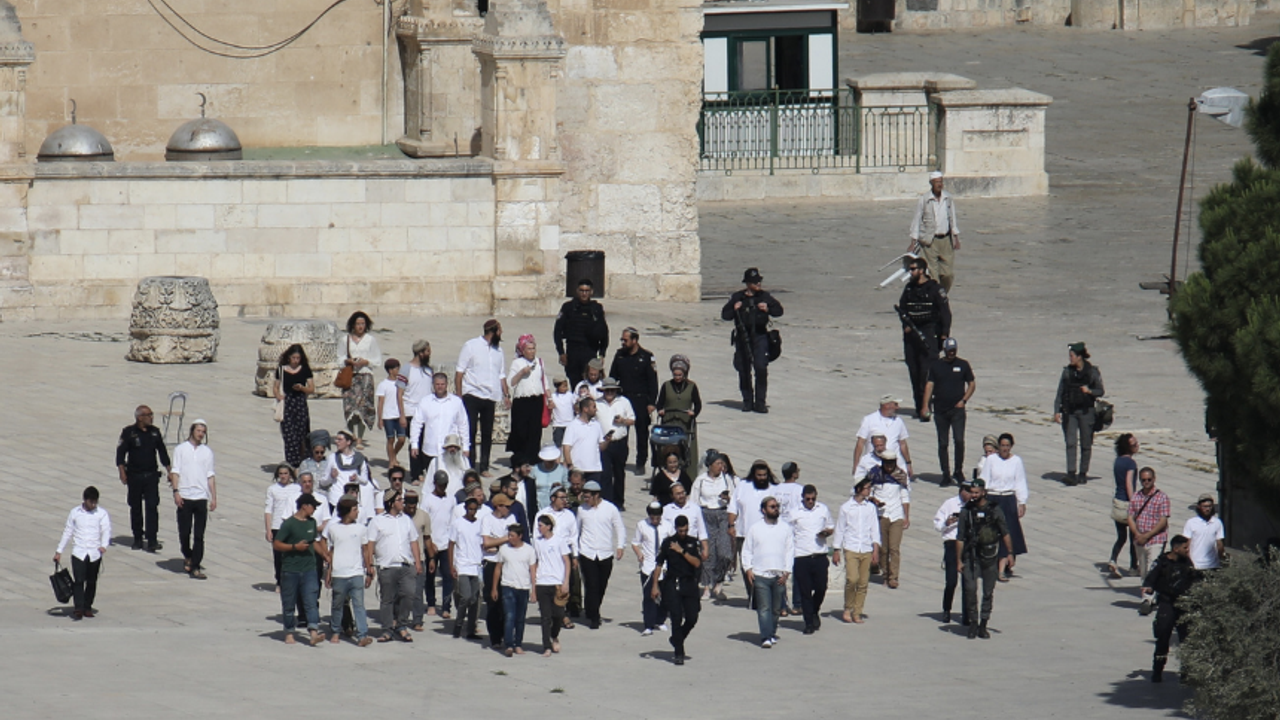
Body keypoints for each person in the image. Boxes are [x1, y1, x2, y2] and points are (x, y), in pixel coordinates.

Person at [720, 267, 785, 413]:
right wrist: (734, 308)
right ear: (748, 284)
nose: (758, 284)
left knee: (761, 367)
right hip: (743, 337)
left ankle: (760, 402)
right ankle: (747, 401)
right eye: (755, 282)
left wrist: (767, 309)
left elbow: (779, 311)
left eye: (759, 281)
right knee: (743, 370)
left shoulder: (764, 296)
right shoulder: (738, 297)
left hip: (760, 336)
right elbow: (725, 315)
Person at [956, 479, 1013, 639]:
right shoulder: (966, 511)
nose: (973, 495)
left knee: (988, 591)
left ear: (983, 492)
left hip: (989, 555)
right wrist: (959, 560)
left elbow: (1005, 531)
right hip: (971, 555)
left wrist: (1010, 553)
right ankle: (973, 623)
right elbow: (960, 537)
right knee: (970, 589)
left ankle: (983, 624)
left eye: (976, 492)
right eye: (971, 492)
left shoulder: (994, 509)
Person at [898, 257, 951, 420]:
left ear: (922, 270)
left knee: (926, 373)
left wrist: (944, 334)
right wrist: (906, 325)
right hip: (911, 336)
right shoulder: (909, 289)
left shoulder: (935, 289)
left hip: (929, 333)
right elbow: (903, 309)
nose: (911, 272)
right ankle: (918, 407)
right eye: (910, 269)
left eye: (913, 269)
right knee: (914, 371)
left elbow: (945, 313)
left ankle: (926, 407)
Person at [368, 489, 423, 642]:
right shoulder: (377, 521)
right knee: (387, 599)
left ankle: (401, 624)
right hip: (387, 566)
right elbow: (370, 544)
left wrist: (418, 562)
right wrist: (369, 564)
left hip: (406, 565)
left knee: (408, 594)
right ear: (391, 503)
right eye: (399, 500)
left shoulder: (406, 520)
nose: (402, 502)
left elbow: (413, 541)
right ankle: (387, 629)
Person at [1141, 535, 1199, 683]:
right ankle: (1157, 671)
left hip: (1183, 605)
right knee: (1163, 638)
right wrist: (1149, 587)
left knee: (1186, 640)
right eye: (1185, 548)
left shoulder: (1186, 562)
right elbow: (1151, 578)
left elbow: (1194, 578)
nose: (1188, 550)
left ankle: (1186, 672)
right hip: (1167, 604)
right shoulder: (1162, 563)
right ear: (1176, 549)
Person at [273, 493, 328, 645]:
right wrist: (294, 547)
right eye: (313, 506)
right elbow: (277, 544)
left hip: (309, 568)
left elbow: (313, 542)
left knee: (311, 601)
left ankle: (313, 632)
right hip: (291, 569)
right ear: (304, 506)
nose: (315, 509)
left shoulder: (312, 523)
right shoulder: (289, 524)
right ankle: (289, 632)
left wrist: (325, 555)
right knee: (289, 603)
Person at [456, 319, 510, 474]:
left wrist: (506, 395)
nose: (501, 333)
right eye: (500, 330)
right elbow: (460, 372)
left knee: (487, 433)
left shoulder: (499, 351)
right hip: (472, 394)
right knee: (471, 431)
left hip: (490, 396)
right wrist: (459, 397)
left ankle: (484, 466)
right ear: (493, 331)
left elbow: (501, 375)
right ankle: (470, 465)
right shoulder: (471, 346)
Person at [116, 405, 170, 552]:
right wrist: (122, 471)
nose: (151, 417)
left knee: (152, 506)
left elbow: (162, 452)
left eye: (151, 414)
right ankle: (138, 538)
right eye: (148, 415)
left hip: (151, 476)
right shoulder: (129, 432)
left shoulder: (155, 432)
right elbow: (120, 453)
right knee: (136, 507)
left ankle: (152, 539)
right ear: (139, 417)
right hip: (134, 476)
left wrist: (169, 470)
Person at [741, 496, 794, 647]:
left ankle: (771, 633)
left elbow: (790, 550)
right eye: (772, 507)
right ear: (764, 510)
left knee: (776, 609)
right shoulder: (755, 528)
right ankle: (765, 637)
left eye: (777, 506)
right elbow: (747, 550)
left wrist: (786, 572)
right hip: (760, 574)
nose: (776, 509)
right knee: (764, 608)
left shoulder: (785, 528)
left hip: (779, 575)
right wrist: (748, 569)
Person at [922, 337, 975, 486]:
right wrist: (925, 405)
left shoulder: (963, 365)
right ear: (944, 350)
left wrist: (964, 400)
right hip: (940, 410)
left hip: (957, 410)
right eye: (949, 350)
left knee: (959, 440)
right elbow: (929, 385)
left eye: (954, 350)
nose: (952, 353)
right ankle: (946, 473)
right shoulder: (936, 366)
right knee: (943, 443)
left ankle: (958, 470)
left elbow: (971, 384)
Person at [324, 497, 375, 646]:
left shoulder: (361, 529)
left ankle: (362, 635)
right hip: (339, 573)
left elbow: (366, 550)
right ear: (347, 512)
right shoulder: (334, 528)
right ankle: (335, 631)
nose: (357, 512)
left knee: (359, 605)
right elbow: (332, 551)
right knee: (338, 604)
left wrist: (369, 569)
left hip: (356, 572)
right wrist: (329, 572)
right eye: (354, 510)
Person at [55, 486, 111, 620]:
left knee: (91, 581)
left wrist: (104, 545)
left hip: (94, 553)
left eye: (95, 502)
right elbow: (68, 531)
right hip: (78, 552)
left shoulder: (101, 513)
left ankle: (87, 607)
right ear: (85, 500)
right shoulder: (75, 512)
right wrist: (59, 551)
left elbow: (106, 529)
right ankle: (78, 608)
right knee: (79, 580)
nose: (93, 505)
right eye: (91, 502)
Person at [576, 480, 627, 629]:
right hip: (587, 552)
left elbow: (619, 528)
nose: (586, 500)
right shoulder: (581, 510)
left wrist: (620, 546)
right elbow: (576, 531)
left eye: (588, 497)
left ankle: (591, 609)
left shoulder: (610, 509)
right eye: (584, 497)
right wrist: (575, 552)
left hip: (605, 553)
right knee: (591, 585)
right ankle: (594, 616)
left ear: (596, 495)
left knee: (601, 586)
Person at [1053, 342, 1105, 486]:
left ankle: (1083, 473)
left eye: (1072, 356)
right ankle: (1071, 473)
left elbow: (1100, 391)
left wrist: (1089, 391)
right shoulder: (1067, 372)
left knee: (1086, 443)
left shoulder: (1092, 372)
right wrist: (1056, 411)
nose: (1070, 359)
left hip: (1086, 412)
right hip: (1070, 412)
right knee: (1070, 442)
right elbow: (1060, 392)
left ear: (1079, 356)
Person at [170, 419, 216, 580]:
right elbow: (175, 472)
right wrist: (176, 492)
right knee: (184, 532)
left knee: (199, 534)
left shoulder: (207, 452)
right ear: (192, 431)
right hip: (185, 495)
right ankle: (188, 555)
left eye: (203, 432)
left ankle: (195, 565)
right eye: (198, 431)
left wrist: (213, 497)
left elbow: (210, 475)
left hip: (201, 496)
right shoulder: (181, 449)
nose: (201, 434)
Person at [978, 433, 1028, 580]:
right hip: (993, 498)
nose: (1004, 449)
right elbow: (985, 479)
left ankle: (1002, 569)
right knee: (992, 532)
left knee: (1008, 532)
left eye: (1007, 446)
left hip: (1008, 498)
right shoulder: (991, 460)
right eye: (1002, 446)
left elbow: (1020, 482)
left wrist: (1022, 502)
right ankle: (991, 565)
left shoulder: (1016, 461)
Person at [653, 514, 702, 664]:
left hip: (689, 583)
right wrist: (655, 585)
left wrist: (682, 551)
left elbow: (697, 563)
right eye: (680, 531)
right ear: (676, 528)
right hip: (672, 583)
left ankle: (676, 638)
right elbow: (659, 564)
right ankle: (679, 653)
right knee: (676, 617)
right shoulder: (668, 543)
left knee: (692, 617)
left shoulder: (692, 543)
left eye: (685, 530)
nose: (683, 533)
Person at [610, 327, 659, 475]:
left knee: (642, 433)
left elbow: (653, 382)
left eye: (625, 340)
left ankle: (640, 463)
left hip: (640, 400)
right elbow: (613, 377)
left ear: (635, 340)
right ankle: (620, 460)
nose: (623, 342)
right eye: (622, 340)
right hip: (624, 398)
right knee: (621, 431)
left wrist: (651, 402)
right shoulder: (620, 355)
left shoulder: (647, 357)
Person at [728, 460, 777, 604]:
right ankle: (754, 597)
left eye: (764, 475)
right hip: (744, 534)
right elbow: (733, 508)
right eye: (759, 475)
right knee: (747, 566)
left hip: (767, 535)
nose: (762, 478)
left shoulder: (774, 488)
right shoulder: (743, 486)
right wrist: (731, 525)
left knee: (764, 565)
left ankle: (766, 595)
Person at [832, 479, 880, 624]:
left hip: (866, 548)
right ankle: (848, 607)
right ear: (859, 489)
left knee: (863, 582)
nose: (869, 490)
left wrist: (875, 550)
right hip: (851, 547)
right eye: (867, 488)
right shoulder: (846, 508)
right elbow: (840, 529)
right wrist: (836, 549)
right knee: (852, 579)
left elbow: (874, 529)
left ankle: (857, 611)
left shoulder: (870, 507)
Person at [691, 452, 737, 600]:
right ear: (710, 465)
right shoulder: (701, 480)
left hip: (722, 514)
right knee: (708, 553)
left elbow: (734, 499)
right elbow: (694, 501)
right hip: (706, 515)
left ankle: (719, 579)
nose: (721, 466)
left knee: (725, 553)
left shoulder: (726, 479)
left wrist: (728, 498)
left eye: (722, 464)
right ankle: (706, 585)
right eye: (718, 464)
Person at [409, 372, 471, 482]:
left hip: (450, 449)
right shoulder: (425, 401)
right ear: (433, 385)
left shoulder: (456, 402)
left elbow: (463, 424)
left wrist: (466, 446)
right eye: (437, 384)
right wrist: (414, 444)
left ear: (447, 384)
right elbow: (416, 423)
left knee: (451, 479)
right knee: (433, 481)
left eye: (442, 384)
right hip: (430, 449)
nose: (440, 387)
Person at [908, 170, 961, 292]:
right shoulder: (924, 199)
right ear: (931, 183)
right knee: (933, 274)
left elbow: (952, 218)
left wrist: (956, 237)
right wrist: (913, 241)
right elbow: (917, 220)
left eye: (941, 182)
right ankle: (936, 297)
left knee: (947, 274)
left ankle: (941, 294)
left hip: (946, 240)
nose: (939, 184)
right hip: (930, 241)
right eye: (937, 182)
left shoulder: (948, 198)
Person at [1127, 467, 1170, 616]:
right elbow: (1130, 517)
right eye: (1143, 480)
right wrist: (1137, 534)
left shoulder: (1162, 497)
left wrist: (1148, 535)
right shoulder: (1136, 497)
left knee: (1153, 567)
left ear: (1154, 479)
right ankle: (1152, 593)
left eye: (1149, 479)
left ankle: (1147, 599)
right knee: (1144, 569)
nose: (1146, 482)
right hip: (1140, 540)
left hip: (1156, 538)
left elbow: (1163, 520)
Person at [791, 485, 834, 634]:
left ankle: (814, 610)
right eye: (808, 499)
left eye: (813, 499)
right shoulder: (794, 512)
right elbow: (788, 532)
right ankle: (808, 622)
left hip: (819, 554)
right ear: (803, 498)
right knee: (805, 591)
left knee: (821, 588)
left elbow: (831, 526)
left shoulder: (822, 509)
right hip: (802, 556)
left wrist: (826, 533)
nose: (810, 501)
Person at [338, 311, 382, 450]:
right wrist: (348, 361)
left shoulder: (370, 340)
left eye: (362, 323)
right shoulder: (345, 340)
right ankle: (351, 435)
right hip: (350, 376)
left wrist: (366, 361)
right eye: (358, 324)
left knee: (363, 407)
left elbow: (377, 360)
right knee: (350, 407)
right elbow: (339, 358)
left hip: (365, 376)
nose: (360, 326)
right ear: (353, 325)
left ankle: (360, 439)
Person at [554, 277, 609, 388]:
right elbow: (557, 331)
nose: (584, 293)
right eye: (582, 290)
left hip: (590, 350)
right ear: (577, 291)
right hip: (573, 351)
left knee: (591, 383)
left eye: (587, 291)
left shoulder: (596, 309)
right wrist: (561, 352)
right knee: (575, 384)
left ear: (591, 292)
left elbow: (604, 332)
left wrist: (602, 354)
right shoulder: (568, 307)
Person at [537, 486, 580, 627]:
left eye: (565, 497)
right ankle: (554, 614)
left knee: (566, 584)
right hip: (548, 553)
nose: (564, 500)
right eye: (561, 498)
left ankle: (563, 613)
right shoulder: (543, 514)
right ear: (553, 498)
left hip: (565, 552)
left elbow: (574, 536)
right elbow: (536, 536)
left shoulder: (569, 515)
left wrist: (575, 556)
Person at [866, 448, 910, 588]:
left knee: (894, 548)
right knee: (883, 548)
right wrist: (874, 500)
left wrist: (906, 516)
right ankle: (885, 574)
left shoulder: (901, 476)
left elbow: (904, 497)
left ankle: (894, 576)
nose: (889, 466)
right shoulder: (875, 474)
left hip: (896, 515)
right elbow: (868, 492)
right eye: (887, 463)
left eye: (892, 463)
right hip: (881, 515)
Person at [493, 523, 538, 656]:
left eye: (512, 536)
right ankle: (509, 644)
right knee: (509, 616)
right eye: (509, 535)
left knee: (520, 617)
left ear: (520, 536)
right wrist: (494, 588)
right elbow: (498, 568)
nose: (510, 538)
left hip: (523, 587)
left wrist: (534, 590)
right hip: (508, 586)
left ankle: (518, 643)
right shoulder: (504, 549)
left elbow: (533, 571)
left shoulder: (529, 550)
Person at [507, 333, 550, 462]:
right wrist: (521, 373)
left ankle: (533, 456)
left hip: (536, 400)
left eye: (533, 348)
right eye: (529, 349)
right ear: (523, 350)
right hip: (522, 401)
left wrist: (550, 399)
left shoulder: (539, 362)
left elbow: (544, 381)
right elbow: (511, 382)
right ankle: (520, 456)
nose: (532, 351)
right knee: (521, 430)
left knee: (535, 430)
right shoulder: (517, 363)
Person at [933, 481, 971, 625]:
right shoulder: (950, 503)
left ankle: (967, 613)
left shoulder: (974, 505)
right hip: (952, 543)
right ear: (961, 491)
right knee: (951, 581)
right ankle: (946, 609)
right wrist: (947, 523)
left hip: (967, 544)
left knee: (968, 582)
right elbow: (937, 524)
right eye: (967, 491)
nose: (970, 495)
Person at [633, 502, 674, 636]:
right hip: (648, 566)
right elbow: (635, 543)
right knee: (649, 596)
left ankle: (660, 620)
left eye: (657, 517)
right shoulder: (642, 525)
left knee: (664, 595)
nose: (655, 520)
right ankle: (648, 624)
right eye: (652, 517)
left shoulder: (668, 526)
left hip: (664, 566)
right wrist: (639, 554)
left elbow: (673, 543)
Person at [481, 494, 516, 647]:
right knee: (493, 600)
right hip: (491, 562)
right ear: (498, 506)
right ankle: (495, 637)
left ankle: (506, 633)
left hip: (507, 562)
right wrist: (506, 539)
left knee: (507, 600)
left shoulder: (511, 518)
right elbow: (486, 543)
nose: (508, 509)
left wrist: (497, 542)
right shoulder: (487, 519)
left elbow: (515, 539)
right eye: (506, 506)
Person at [656, 355, 702, 473]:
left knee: (687, 448)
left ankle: (689, 473)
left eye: (680, 375)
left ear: (684, 374)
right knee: (668, 447)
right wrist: (660, 410)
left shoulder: (692, 386)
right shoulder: (666, 385)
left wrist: (693, 413)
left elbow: (698, 404)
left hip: (685, 422)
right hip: (669, 421)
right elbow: (659, 403)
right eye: (675, 375)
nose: (677, 377)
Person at [532, 514, 570, 656]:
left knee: (558, 614)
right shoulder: (537, 542)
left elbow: (567, 561)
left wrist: (566, 581)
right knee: (545, 616)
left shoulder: (559, 541)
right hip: (542, 582)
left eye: (541, 525)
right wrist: (533, 585)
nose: (539, 528)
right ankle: (546, 646)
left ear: (548, 527)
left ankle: (554, 635)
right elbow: (535, 562)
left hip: (557, 582)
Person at [448, 497, 486, 639]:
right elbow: (451, 545)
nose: (472, 512)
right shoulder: (458, 523)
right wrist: (451, 566)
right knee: (465, 597)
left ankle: (471, 629)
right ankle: (458, 625)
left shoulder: (480, 524)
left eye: (474, 509)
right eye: (470, 509)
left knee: (475, 599)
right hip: (462, 565)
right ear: (465, 509)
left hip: (476, 566)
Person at [421, 471, 457, 619]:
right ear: (435, 483)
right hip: (432, 543)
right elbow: (424, 522)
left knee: (448, 575)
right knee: (430, 575)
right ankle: (431, 603)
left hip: (446, 543)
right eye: (441, 484)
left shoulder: (451, 499)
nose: (443, 487)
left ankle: (446, 606)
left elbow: (453, 521)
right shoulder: (427, 500)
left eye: (445, 484)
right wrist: (429, 543)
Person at [274, 344, 315, 468]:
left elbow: (311, 389)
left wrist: (302, 388)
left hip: (300, 403)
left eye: (298, 358)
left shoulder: (305, 370)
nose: (296, 361)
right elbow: (275, 387)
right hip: (287, 404)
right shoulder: (281, 370)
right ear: (289, 357)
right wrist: (278, 396)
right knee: (289, 435)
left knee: (301, 434)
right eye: (294, 358)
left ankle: (303, 460)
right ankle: (292, 463)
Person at [597, 377, 635, 508]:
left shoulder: (624, 402)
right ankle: (607, 501)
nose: (609, 393)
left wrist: (623, 421)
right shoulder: (597, 403)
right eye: (607, 390)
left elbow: (632, 420)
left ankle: (619, 501)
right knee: (605, 474)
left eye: (612, 390)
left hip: (620, 443)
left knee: (619, 473)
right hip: (604, 443)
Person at [264, 464, 302, 590]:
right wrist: (268, 529)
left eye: (286, 473)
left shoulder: (297, 488)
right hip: (277, 525)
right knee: (278, 556)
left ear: (290, 474)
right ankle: (280, 581)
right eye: (281, 474)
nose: (283, 476)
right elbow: (268, 510)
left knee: (292, 554)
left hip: (293, 525)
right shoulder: (272, 489)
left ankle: (292, 581)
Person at [852, 398, 913, 477]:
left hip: (895, 464)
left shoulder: (898, 421)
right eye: (895, 405)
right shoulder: (869, 420)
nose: (898, 407)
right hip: (874, 464)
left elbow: (903, 443)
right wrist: (856, 465)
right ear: (887, 405)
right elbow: (860, 443)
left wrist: (908, 463)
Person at [325, 431, 378, 523]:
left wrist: (357, 478)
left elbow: (365, 480)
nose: (336, 441)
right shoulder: (332, 457)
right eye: (336, 439)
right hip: (336, 500)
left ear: (348, 442)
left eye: (340, 439)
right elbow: (323, 481)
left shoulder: (359, 458)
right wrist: (331, 477)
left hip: (352, 501)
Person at [1109, 433, 1141, 579]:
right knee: (1134, 537)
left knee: (1121, 537)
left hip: (1118, 501)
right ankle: (1133, 567)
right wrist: (1134, 502)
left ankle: (1113, 559)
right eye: (1134, 445)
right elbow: (1129, 483)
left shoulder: (1118, 461)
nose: (1137, 446)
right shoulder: (1131, 464)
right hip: (1127, 504)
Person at [403, 488, 435, 630]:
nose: (411, 509)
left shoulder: (423, 516)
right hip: (403, 559)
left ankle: (417, 620)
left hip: (419, 558)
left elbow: (427, 538)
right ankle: (400, 619)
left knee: (417, 592)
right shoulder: (400, 516)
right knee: (403, 592)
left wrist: (431, 558)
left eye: (414, 506)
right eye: (409, 506)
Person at [403, 340, 434, 482]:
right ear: (420, 353)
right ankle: (415, 474)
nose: (430, 353)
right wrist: (401, 415)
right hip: (411, 411)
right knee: (415, 442)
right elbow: (399, 393)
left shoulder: (429, 370)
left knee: (425, 441)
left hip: (427, 412)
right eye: (427, 351)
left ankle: (423, 470)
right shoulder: (406, 369)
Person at [562, 396, 609, 488]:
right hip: (578, 469)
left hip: (595, 469)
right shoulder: (573, 425)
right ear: (585, 409)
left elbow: (601, 447)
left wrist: (607, 440)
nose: (596, 409)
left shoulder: (597, 425)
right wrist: (570, 464)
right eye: (594, 407)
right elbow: (566, 447)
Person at [375, 358, 407, 470]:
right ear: (390, 370)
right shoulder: (383, 385)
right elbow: (381, 402)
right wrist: (380, 419)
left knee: (402, 439)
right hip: (388, 416)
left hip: (399, 415)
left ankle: (393, 456)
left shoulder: (402, 383)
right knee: (391, 439)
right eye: (396, 369)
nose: (398, 371)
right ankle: (392, 461)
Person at [1183, 493, 1225, 570]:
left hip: (1213, 565)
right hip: (1196, 564)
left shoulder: (1217, 522)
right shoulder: (1191, 522)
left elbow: (1219, 544)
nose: (1207, 509)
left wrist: (1221, 559)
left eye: (1209, 506)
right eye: (1205, 507)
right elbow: (1186, 544)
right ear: (1199, 507)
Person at [426, 435, 472, 500]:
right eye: (450, 447)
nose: (453, 449)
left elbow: (470, 482)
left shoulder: (465, 461)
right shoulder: (436, 462)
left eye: (455, 447)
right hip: (442, 499)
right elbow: (428, 485)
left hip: (461, 500)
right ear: (445, 448)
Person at [532, 445, 567, 512]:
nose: (550, 462)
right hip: (538, 505)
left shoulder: (562, 470)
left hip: (556, 506)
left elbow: (567, 488)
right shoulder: (535, 469)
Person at [549, 377, 575, 447]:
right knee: (558, 444)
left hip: (569, 424)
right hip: (558, 425)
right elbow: (549, 408)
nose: (566, 388)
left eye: (566, 386)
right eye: (563, 386)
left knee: (569, 444)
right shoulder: (553, 396)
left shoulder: (570, 395)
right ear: (557, 386)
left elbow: (575, 406)